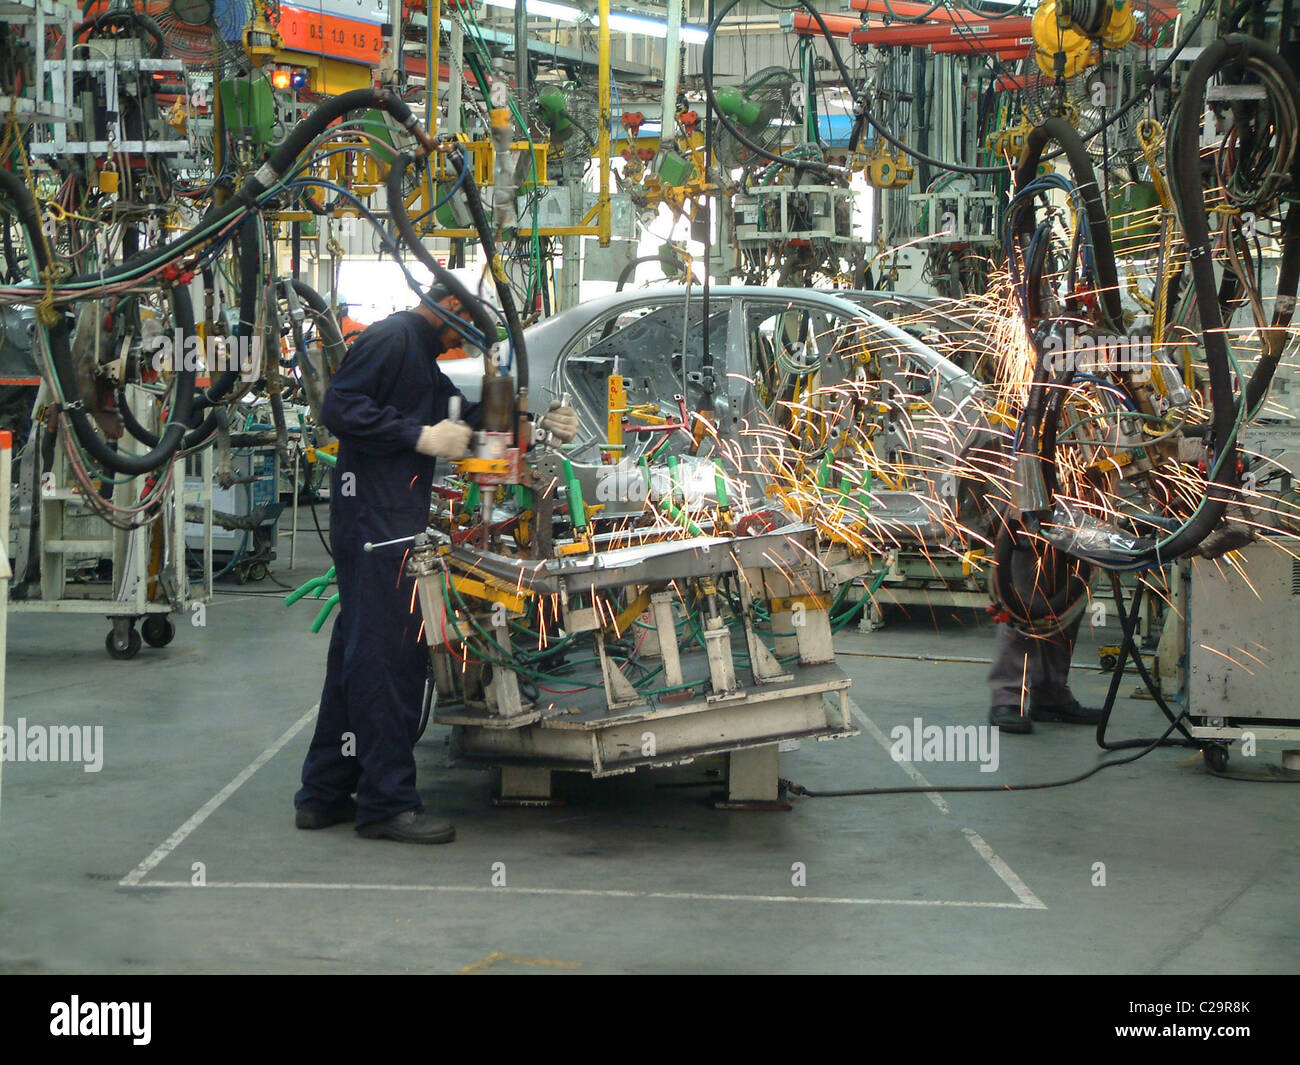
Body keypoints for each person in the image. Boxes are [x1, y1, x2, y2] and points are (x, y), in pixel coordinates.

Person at [294, 285, 578, 843]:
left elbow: (473, 419)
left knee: (355, 658)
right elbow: (340, 408)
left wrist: (539, 423)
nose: (459, 344)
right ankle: (386, 806)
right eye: (461, 331)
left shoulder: (417, 357)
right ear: (448, 307)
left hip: (381, 523)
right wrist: (420, 437)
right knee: (388, 665)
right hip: (378, 528)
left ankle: (324, 792)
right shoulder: (393, 338)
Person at [987, 544, 1105, 734]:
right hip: (1029, 526)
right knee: (1022, 608)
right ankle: (1006, 699)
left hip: (1076, 528)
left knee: (1066, 607)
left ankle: (1051, 696)